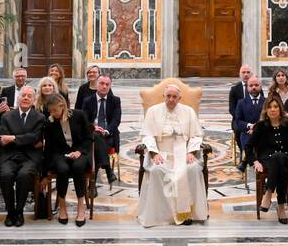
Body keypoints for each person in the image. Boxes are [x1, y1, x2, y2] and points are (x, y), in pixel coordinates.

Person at [137, 84, 207, 227]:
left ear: (179, 98)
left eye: (174, 97)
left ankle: (189, 213)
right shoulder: (153, 111)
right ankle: (164, 214)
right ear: (164, 96)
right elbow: (148, 135)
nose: (171, 99)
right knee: (157, 170)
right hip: (162, 153)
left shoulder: (189, 111)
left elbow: (196, 136)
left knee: (192, 169)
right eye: (168, 96)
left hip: (184, 152)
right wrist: (154, 153)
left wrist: (191, 152)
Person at [0, 86, 46, 227]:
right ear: (18, 98)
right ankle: (10, 211)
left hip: (30, 157)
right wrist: (26, 139)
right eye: (23, 95)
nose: (25, 98)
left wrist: (13, 138)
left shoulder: (39, 117)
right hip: (10, 156)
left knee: (24, 176)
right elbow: (4, 138)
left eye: (29, 96)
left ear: (34, 99)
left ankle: (19, 212)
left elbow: (35, 137)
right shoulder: (6, 116)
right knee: (5, 175)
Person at [252, 96, 288, 224]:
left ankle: (268, 193)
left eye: (275, 106)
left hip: (287, 157)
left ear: (280, 109)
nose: (272, 109)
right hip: (267, 160)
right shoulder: (260, 125)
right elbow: (248, 146)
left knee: (279, 158)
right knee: (279, 166)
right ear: (265, 110)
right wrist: (255, 161)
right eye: (269, 107)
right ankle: (281, 207)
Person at [43, 93, 91, 226]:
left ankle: (81, 207)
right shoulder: (50, 122)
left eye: (55, 110)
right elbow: (49, 148)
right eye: (50, 110)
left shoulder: (79, 115)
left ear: (62, 106)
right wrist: (44, 173)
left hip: (80, 151)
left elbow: (88, 138)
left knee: (78, 167)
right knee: (62, 169)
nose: (52, 113)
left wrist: (79, 151)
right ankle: (62, 206)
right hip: (60, 153)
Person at [81, 74, 121, 185]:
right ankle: (108, 170)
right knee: (97, 140)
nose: (104, 86)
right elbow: (84, 120)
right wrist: (93, 127)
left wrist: (107, 130)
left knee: (97, 147)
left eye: (107, 84)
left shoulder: (115, 101)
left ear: (110, 86)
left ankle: (92, 185)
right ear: (97, 85)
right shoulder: (88, 101)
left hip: (109, 135)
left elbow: (116, 120)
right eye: (102, 84)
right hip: (92, 134)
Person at [232, 75, 266, 172]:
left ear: (260, 86)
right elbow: (238, 121)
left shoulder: (267, 101)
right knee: (249, 144)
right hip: (247, 133)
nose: (254, 87)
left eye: (256, 85)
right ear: (247, 88)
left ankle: (246, 161)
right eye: (251, 85)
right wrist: (250, 126)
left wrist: (256, 128)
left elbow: (269, 119)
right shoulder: (241, 102)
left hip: (263, 133)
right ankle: (255, 164)